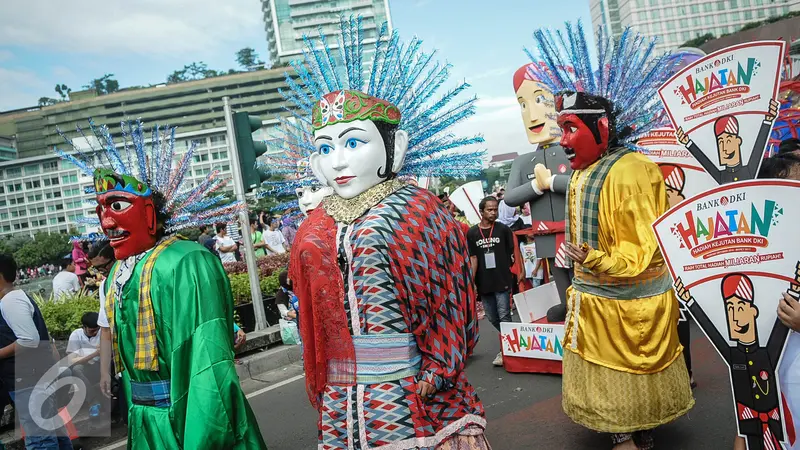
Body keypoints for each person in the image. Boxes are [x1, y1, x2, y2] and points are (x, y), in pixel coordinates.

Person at [284, 17, 488, 449]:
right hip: (341, 398)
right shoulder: (316, 222)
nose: (337, 160)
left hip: (407, 389)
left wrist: (440, 366)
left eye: (353, 143)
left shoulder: (415, 209)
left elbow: (449, 294)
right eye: (325, 148)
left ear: (395, 146)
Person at [528, 25, 694, 449]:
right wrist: (577, 255)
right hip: (596, 297)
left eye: (569, 129)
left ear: (602, 127)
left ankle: (634, 428)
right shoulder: (584, 171)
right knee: (609, 376)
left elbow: (642, 251)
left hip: (629, 301)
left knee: (630, 375)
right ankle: (623, 429)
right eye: (560, 129)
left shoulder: (633, 169)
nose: (562, 141)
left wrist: (594, 258)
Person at [54, 121, 266, 449]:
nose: (106, 220)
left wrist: (201, 433)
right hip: (142, 417)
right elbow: (111, 331)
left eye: (118, 206)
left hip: (182, 416)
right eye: (101, 209)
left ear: (150, 213)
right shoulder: (115, 276)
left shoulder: (185, 261)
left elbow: (205, 361)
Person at [505, 63, 574, 322]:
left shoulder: (572, 151)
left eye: (540, 99)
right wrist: (536, 186)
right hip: (545, 232)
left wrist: (553, 181)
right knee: (557, 271)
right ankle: (567, 305)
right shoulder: (523, 162)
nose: (532, 114)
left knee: (580, 271)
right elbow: (511, 198)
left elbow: (586, 183)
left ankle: (583, 306)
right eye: (523, 104)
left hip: (575, 231)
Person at [0, 253, 73, 450]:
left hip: (28, 380)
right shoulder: (14, 298)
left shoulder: (10, 301)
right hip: (33, 377)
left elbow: (29, 340)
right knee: (52, 432)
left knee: (39, 439)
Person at [676, 103, 780, 184]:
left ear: (738, 141)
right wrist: (688, 143)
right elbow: (705, 162)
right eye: (720, 142)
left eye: (729, 141)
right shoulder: (721, 176)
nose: (724, 148)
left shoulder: (749, 170)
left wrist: (767, 121)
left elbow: (758, 147)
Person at [467, 196, 515, 367]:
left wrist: (519, 271)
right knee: (492, 316)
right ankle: (514, 337)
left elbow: (513, 251)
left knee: (504, 315)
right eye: (490, 209)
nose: (493, 212)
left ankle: (507, 350)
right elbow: (473, 258)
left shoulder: (503, 229)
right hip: (484, 282)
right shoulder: (472, 233)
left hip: (502, 278)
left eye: (495, 209)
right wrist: (471, 282)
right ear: (481, 211)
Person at [67, 312, 101, 410]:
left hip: (101, 365)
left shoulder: (103, 332)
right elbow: (72, 360)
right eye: (92, 331)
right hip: (86, 367)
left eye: (97, 330)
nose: (95, 333)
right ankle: (93, 400)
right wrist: (95, 353)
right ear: (84, 327)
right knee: (77, 369)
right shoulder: (76, 335)